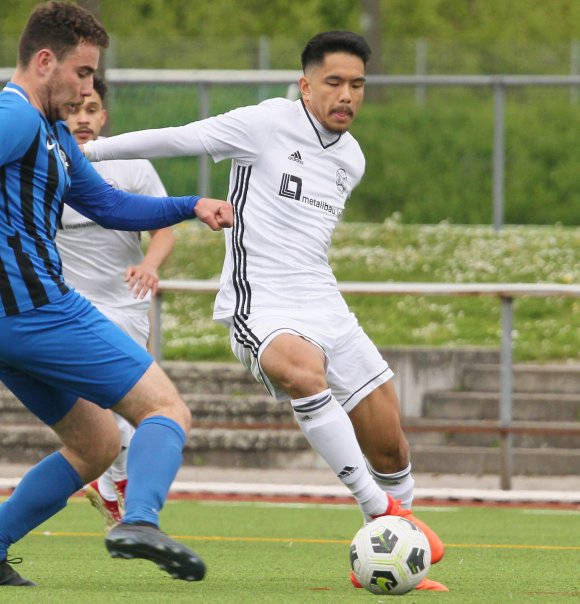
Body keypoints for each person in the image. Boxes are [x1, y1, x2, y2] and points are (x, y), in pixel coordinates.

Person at [83, 31, 447, 592]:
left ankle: (402, 540)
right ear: (305, 86)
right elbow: (178, 138)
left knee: (392, 443)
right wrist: (84, 151)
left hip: (323, 299)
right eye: (333, 83)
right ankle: (383, 518)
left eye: (357, 85)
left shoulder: (353, 158)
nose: (346, 95)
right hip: (262, 299)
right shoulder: (265, 122)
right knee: (303, 372)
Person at [0, 1, 232, 587]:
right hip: (36, 308)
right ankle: (142, 522)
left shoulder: (50, 131)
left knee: (96, 442)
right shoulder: (17, 115)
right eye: (81, 72)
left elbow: (106, 205)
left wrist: (190, 205)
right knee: (165, 409)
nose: (87, 87)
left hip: (15, 320)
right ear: (45, 60)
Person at [56, 75, 176, 529]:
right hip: (70, 308)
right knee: (104, 408)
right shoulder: (45, 167)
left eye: (91, 110)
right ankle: (116, 493)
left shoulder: (132, 166)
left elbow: (164, 226)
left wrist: (151, 265)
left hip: (126, 305)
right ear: (61, 111)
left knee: (127, 407)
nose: (82, 118)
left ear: (103, 116)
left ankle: (111, 489)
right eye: (74, 109)